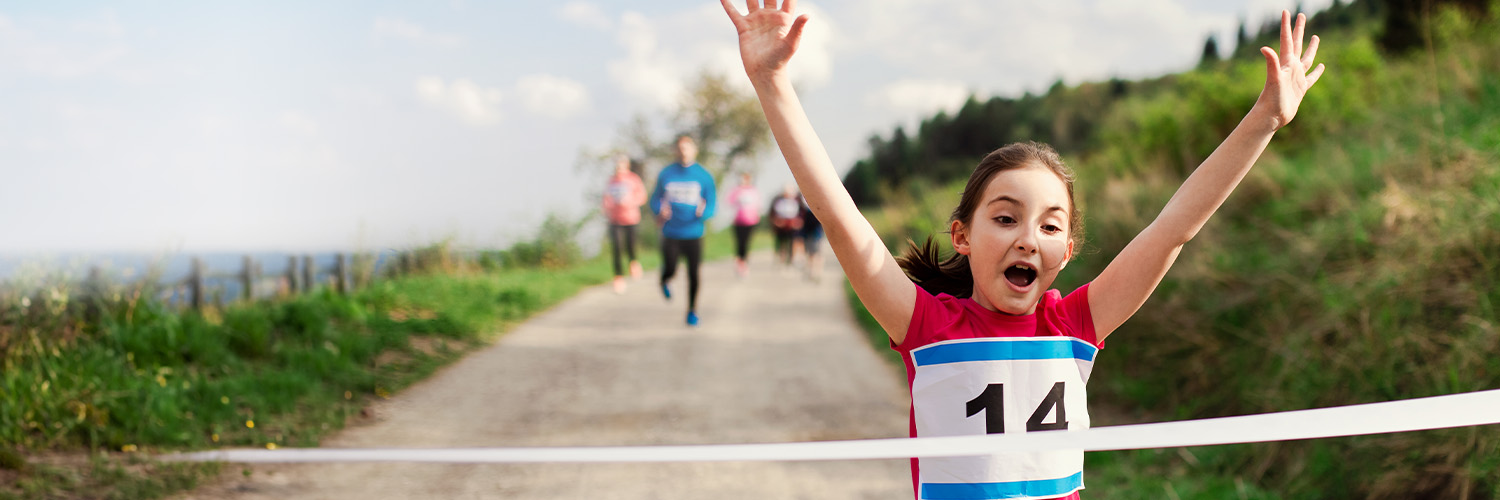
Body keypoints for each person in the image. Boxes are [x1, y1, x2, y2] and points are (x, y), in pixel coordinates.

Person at [719, 2, 1324, 498]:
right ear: (962, 235)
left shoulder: (1076, 325)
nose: (1027, 237)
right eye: (1005, 217)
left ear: (1066, 252)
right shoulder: (926, 326)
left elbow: (1173, 229)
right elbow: (838, 216)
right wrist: (773, 83)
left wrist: (1264, 120)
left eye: (1051, 226)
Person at [650, 135, 717, 326]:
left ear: (694, 150)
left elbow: (712, 202)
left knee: (694, 274)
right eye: (680, 148)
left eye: (687, 148)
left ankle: (692, 311)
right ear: (675, 151)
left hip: (694, 232)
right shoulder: (666, 174)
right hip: (671, 231)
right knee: (671, 267)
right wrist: (659, 209)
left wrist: (705, 212)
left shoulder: (703, 175)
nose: (683, 151)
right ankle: (664, 280)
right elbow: (655, 199)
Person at [602, 154, 646, 293]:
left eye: (621, 164)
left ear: (626, 165)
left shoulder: (633, 179)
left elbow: (642, 197)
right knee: (616, 248)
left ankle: (633, 262)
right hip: (615, 219)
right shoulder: (611, 181)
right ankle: (618, 277)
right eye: (617, 164)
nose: (619, 167)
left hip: (631, 218)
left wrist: (630, 202)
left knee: (630, 245)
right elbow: (606, 198)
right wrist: (607, 205)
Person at [728, 172, 763, 278]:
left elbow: (758, 205)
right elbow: (729, 201)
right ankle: (739, 263)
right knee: (739, 243)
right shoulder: (736, 190)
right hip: (739, 221)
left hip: (751, 221)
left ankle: (744, 263)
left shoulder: (754, 191)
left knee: (747, 243)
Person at [768, 184, 804, 268]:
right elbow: (772, 213)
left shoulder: (797, 200)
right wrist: (776, 221)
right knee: (781, 242)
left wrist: (798, 221)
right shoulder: (778, 200)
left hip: (792, 225)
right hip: (781, 225)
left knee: (792, 242)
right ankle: (781, 258)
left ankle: (790, 259)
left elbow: (801, 213)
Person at [797, 192, 824, 282]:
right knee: (809, 252)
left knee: (816, 251)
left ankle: (817, 271)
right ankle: (811, 271)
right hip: (806, 228)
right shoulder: (800, 197)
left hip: (816, 228)